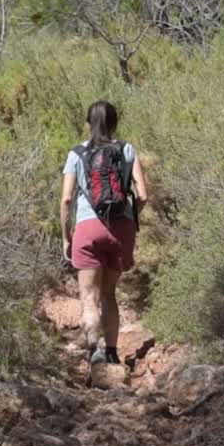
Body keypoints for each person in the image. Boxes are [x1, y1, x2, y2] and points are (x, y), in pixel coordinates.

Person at [60, 100, 149, 366]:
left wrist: (66, 236)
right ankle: (112, 353)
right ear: (115, 124)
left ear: (88, 124)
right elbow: (143, 195)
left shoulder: (76, 154)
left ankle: (94, 351)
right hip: (121, 229)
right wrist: (130, 221)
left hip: (87, 229)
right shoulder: (127, 150)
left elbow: (66, 200)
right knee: (109, 294)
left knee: (89, 297)